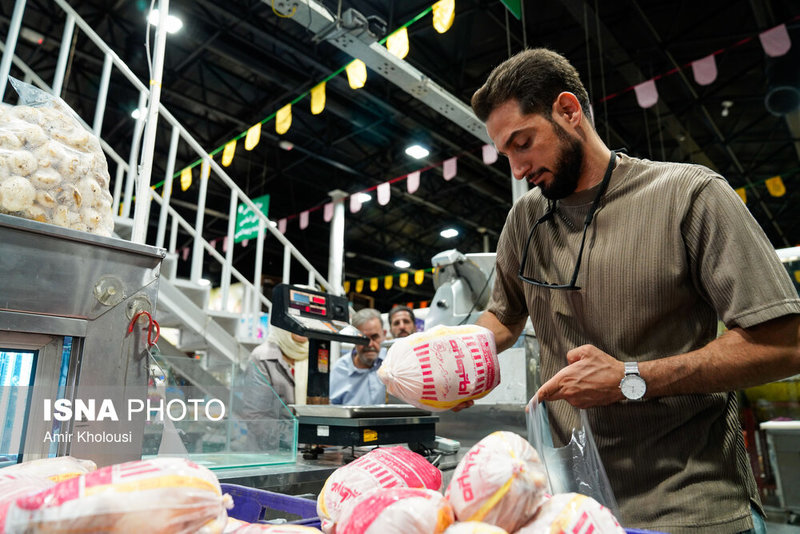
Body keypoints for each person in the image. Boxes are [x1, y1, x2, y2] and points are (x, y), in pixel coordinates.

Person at [468, 48, 800, 533]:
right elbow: (504, 315)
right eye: (506, 154)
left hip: (690, 508)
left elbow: (784, 344)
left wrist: (630, 378)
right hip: (573, 510)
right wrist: (455, 355)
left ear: (568, 110)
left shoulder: (689, 195)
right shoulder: (525, 219)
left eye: (523, 143)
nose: (517, 169)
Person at [235, 326, 309, 450]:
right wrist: (300, 440)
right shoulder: (262, 357)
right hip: (269, 453)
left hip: (307, 451)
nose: (302, 327)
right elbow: (256, 417)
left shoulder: (316, 355)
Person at [329, 308, 387, 405]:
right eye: (363, 339)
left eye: (375, 337)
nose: (370, 344)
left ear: (383, 334)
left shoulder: (392, 362)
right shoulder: (340, 369)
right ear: (353, 338)